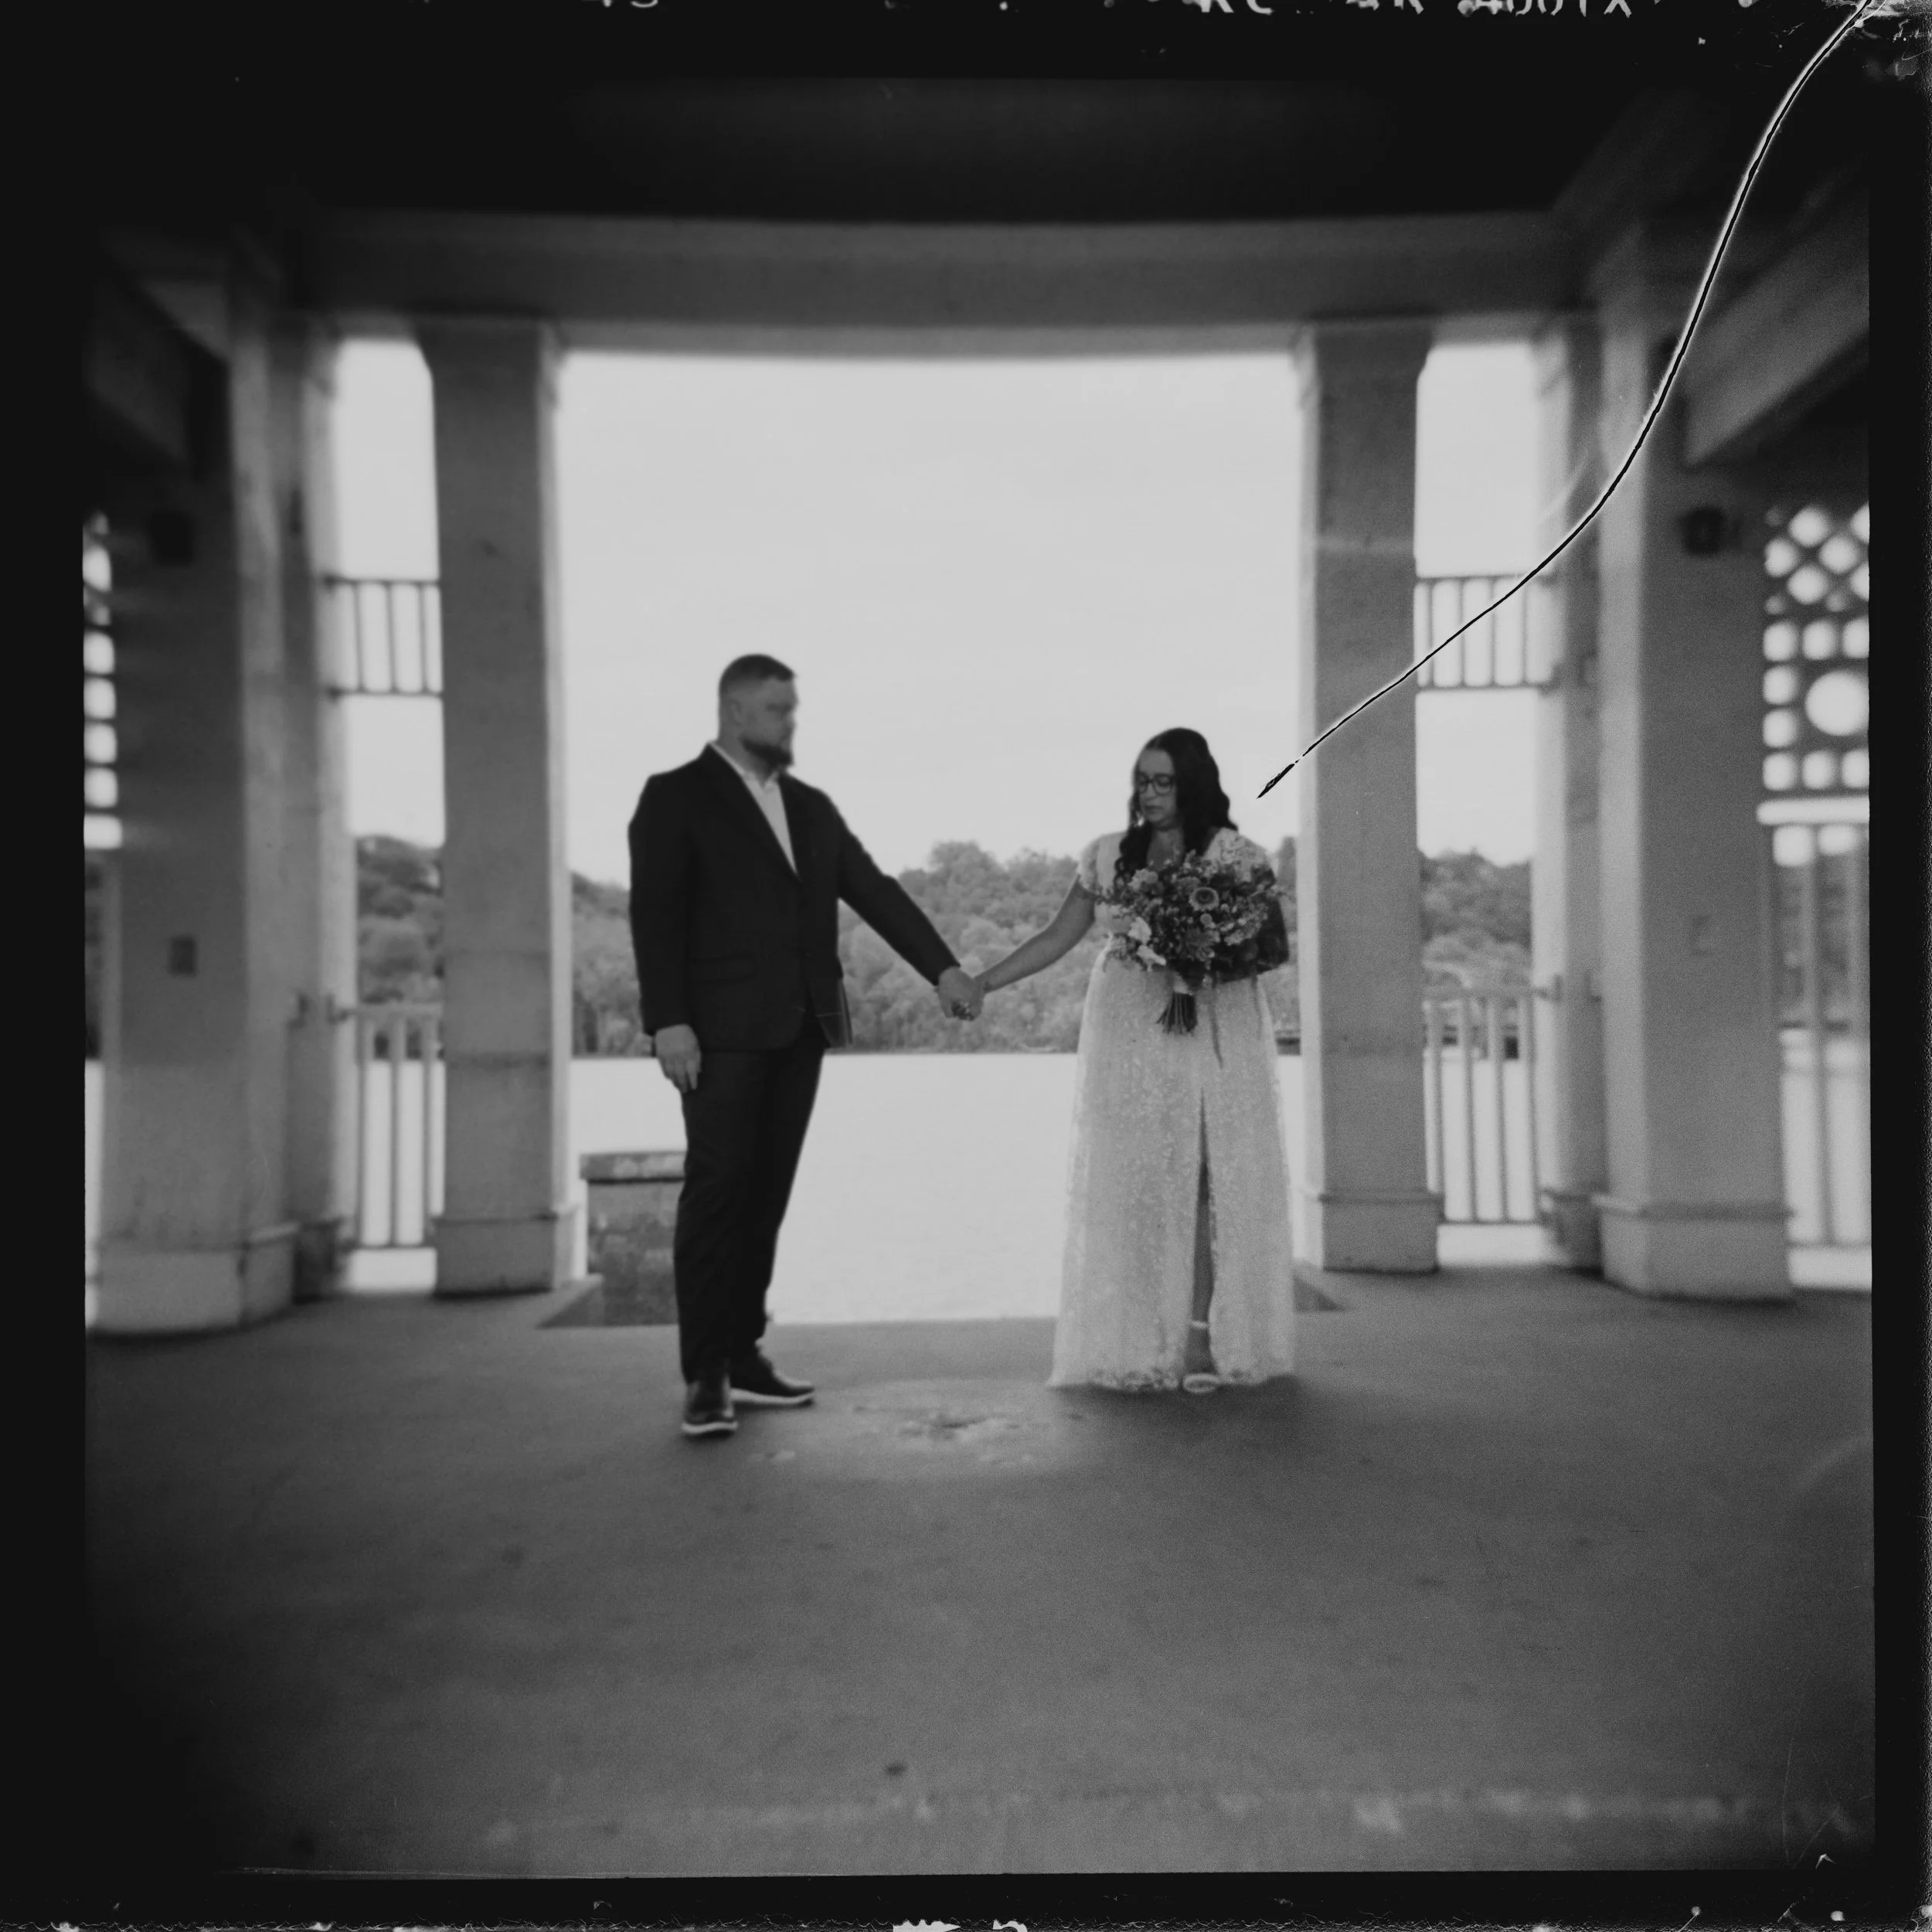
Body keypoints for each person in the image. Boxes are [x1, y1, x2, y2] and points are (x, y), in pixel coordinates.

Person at [629, 655, 984, 1439]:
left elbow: (874, 888)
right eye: (776, 708)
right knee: (717, 1193)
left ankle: (745, 1350)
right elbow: (654, 915)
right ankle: (706, 1374)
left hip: (801, 1029)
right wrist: (668, 1020)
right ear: (732, 712)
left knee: (765, 1196)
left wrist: (945, 968)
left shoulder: (811, 805)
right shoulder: (674, 796)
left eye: (792, 708)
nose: (790, 722)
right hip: (714, 1034)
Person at [971, 729, 1295, 1393]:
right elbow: (1060, 934)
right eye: (1141, 781)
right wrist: (983, 982)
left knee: (1208, 1172)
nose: (1148, 795)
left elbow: (1270, 949)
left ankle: (1203, 1340)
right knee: (1137, 1176)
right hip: (1130, 1025)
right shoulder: (1108, 855)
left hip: (1212, 1024)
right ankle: (1136, 1334)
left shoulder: (1236, 856)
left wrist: (1200, 957)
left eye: (1163, 782)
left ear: (1193, 784)